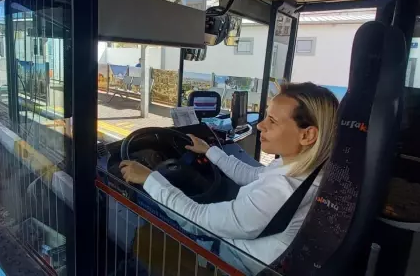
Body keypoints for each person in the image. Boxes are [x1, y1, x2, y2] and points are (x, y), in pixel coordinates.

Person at [120, 82, 339, 274]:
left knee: (143, 210)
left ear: (307, 135)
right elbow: (253, 175)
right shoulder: (306, 170)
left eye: (272, 121)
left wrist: (149, 178)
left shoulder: (280, 190)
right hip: (246, 251)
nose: (261, 125)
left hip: (230, 263)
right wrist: (209, 151)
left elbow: (196, 218)